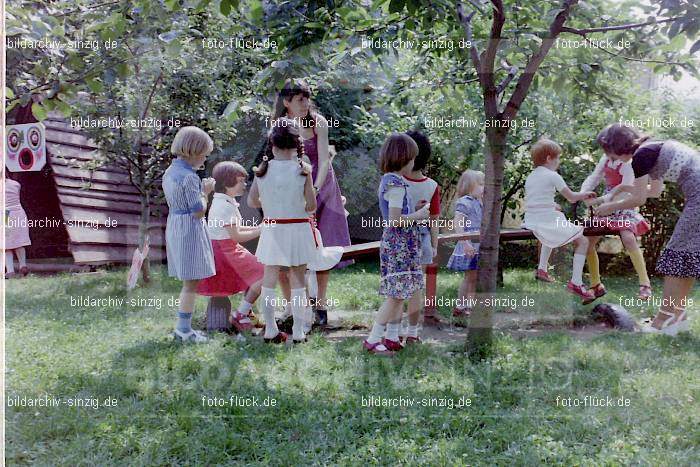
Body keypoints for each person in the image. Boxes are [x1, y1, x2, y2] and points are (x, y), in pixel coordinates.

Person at [594, 123, 695, 335]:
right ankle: (677, 317)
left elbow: (638, 199)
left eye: (609, 152)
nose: (610, 158)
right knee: (685, 256)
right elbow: (655, 191)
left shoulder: (641, 158)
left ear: (617, 146)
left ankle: (662, 321)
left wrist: (609, 207)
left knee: (675, 256)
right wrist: (620, 189)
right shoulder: (651, 150)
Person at [271, 79, 352, 326]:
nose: (305, 104)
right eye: (299, 99)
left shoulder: (318, 122)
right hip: (293, 186)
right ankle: (299, 304)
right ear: (287, 103)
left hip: (323, 184)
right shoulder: (279, 126)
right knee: (296, 246)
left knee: (323, 245)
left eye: (307, 98)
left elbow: (325, 159)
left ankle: (321, 304)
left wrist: (315, 188)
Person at [248, 118, 318, 344]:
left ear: (272, 145)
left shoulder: (262, 171)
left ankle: (270, 329)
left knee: (269, 278)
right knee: (298, 277)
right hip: (297, 228)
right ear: (297, 145)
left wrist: (271, 204)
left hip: (272, 228)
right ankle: (298, 331)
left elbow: (252, 201)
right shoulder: (302, 171)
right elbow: (311, 206)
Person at [363, 133, 430, 355]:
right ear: (403, 158)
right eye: (412, 158)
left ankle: (392, 336)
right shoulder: (395, 183)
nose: (413, 163)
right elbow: (394, 220)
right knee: (395, 295)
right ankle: (373, 338)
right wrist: (419, 215)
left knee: (400, 293)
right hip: (399, 248)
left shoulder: (393, 181)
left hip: (402, 246)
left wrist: (413, 210)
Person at [522, 138, 597, 302]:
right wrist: (585, 194)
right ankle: (576, 283)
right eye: (558, 158)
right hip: (545, 219)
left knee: (552, 227)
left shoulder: (531, 177)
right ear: (549, 158)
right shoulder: (552, 175)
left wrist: (552, 205)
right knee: (583, 241)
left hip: (532, 219)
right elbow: (571, 198)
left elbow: (536, 200)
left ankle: (542, 268)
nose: (558, 162)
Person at [196, 161, 265, 332]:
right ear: (227, 184)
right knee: (264, 273)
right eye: (241, 181)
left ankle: (246, 312)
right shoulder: (223, 206)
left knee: (259, 272)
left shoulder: (226, 202)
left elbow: (237, 229)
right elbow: (237, 236)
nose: (245, 184)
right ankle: (242, 313)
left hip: (226, 248)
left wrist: (261, 227)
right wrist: (262, 230)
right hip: (225, 251)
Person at [163, 126, 216, 343]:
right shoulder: (190, 177)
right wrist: (206, 193)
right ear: (193, 151)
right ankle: (183, 329)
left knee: (188, 280)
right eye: (204, 154)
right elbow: (198, 210)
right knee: (191, 283)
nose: (205, 159)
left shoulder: (170, 172)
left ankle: (183, 327)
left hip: (175, 225)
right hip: (189, 230)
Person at [580, 153, 652, 300]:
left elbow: (623, 190)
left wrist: (599, 201)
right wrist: (584, 193)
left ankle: (645, 284)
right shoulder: (605, 159)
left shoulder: (627, 163)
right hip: (607, 204)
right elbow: (594, 177)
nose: (607, 151)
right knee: (588, 241)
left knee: (628, 238)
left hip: (623, 204)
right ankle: (596, 285)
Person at [403, 130, 442, 332]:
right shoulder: (432, 185)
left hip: (398, 241)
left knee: (398, 287)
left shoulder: (394, 181)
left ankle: (393, 330)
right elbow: (434, 220)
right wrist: (434, 246)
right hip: (423, 241)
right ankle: (412, 330)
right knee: (417, 287)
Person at [447, 169, 485, 318]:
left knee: (474, 277)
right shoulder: (464, 202)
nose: (484, 187)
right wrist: (465, 243)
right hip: (469, 243)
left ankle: (470, 305)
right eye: (481, 184)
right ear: (469, 186)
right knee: (469, 277)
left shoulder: (479, 202)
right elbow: (458, 223)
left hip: (478, 243)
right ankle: (461, 306)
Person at [4, 169, 31, 278]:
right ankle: (23, 265)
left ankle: (10, 270)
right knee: (19, 242)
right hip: (19, 212)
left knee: (6, 245)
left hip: (5, 215)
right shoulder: (16, 184)